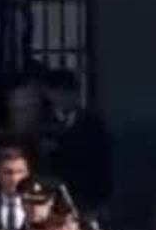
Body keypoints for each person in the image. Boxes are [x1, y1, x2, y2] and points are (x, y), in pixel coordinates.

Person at [36, 69, 112, 209]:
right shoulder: (44, 125)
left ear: (76, 94)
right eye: (57, 93)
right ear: (50, 95)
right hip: (54, 194)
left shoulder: (93, 124)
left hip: (87, 194)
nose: (63, 98)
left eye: (67, 93)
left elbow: (101, 162)